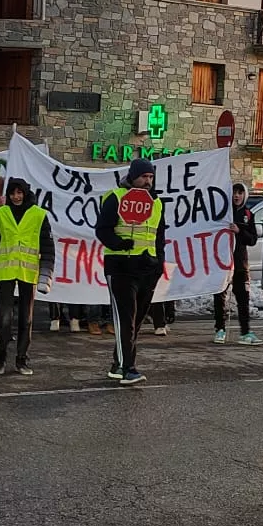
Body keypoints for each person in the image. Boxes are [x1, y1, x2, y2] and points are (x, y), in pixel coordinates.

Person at [96, 159, 166, 386]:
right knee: (126, 319)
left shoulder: (156, 203)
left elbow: (159, 236)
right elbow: (102, 230)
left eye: (151, 177)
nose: (148, 181)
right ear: (133, 176)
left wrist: (159, 264)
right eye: (144, 176)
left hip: (147, 266)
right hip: (121, 266)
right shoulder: (115, 197)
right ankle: (129, 368)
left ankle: (118, 364)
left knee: (136, 320)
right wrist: (119, 244)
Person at [0, 178, 54, 375]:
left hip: (28, 272)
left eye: (19, 193)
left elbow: (48, 249)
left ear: (25, 193)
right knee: (4, 318)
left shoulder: (39, 215)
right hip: (5, 272)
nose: (16, 197)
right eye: (12, 193)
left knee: (26, 318)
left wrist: (45, 277)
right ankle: (0, 357)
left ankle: (21, 359)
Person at [214, 183, 263, 346]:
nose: (236, 195)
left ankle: (245, 331)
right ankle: (219, 329)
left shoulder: (248, 214)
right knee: (219, 296)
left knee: (243, 298)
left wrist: (239, 231)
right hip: (221, 262)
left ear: (244, 195)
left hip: (240, 263)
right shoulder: (223, 211)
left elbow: (253, 239)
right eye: (234, 192)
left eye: (240, 192)